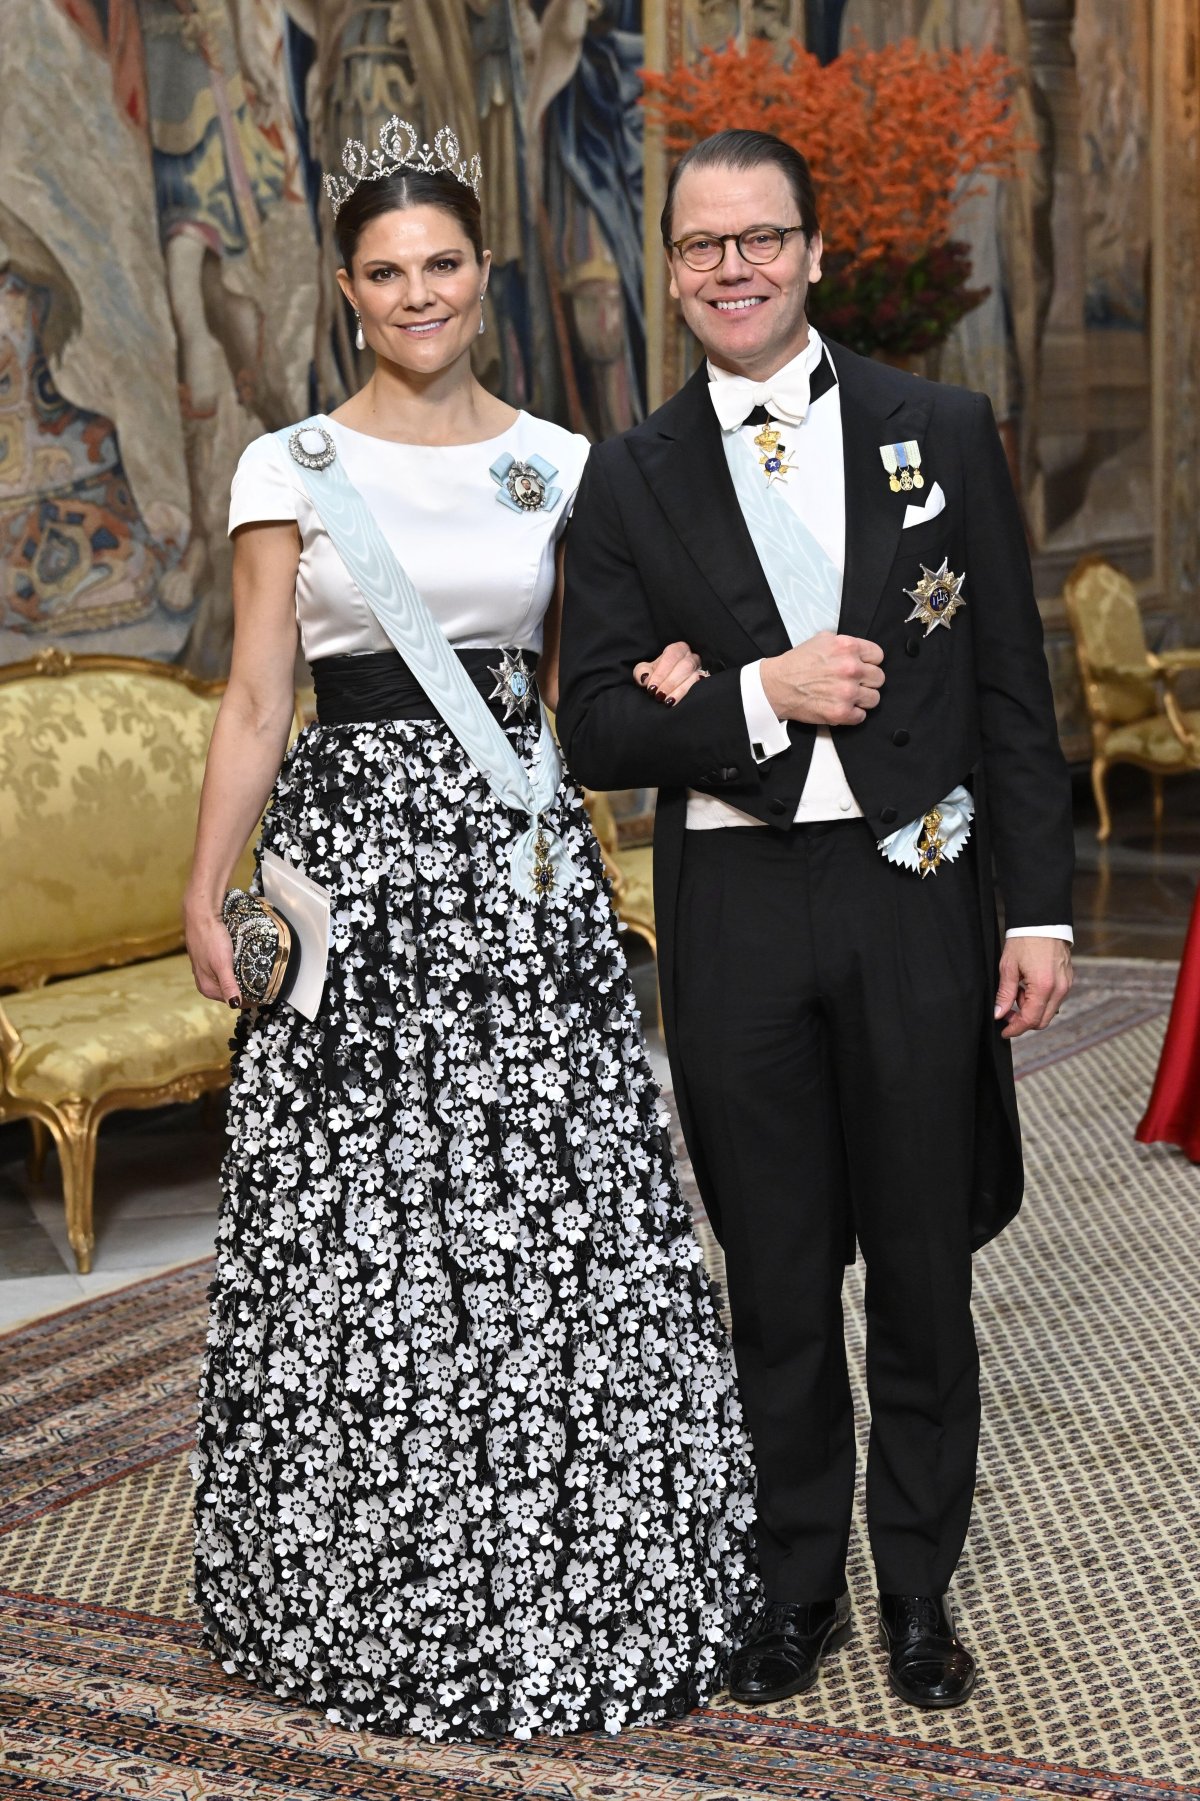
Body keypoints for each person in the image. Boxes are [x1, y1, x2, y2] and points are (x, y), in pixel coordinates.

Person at [184, 120, 758, 1742]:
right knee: (357, 1224)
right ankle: (352, 1572)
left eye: (442, 263)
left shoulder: (569, 464)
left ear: (481, 274)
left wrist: (670, 689)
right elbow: (252, 697)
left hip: (516, 875)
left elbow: (588, 687)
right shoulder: (284, 467)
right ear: (347, 289)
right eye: (384, 271)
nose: (416, 292)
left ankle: (581, 1560)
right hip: (351, 882)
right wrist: (201, 885)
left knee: (555, 1207)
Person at [556, 128, 1074, 1711]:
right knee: (778, 1274)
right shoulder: (628, 473)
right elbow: (590, 727)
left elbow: (1010, 689)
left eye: (761, 238)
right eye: (702, 245)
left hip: (919, 893)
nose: (733, 268)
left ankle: (919, 1590)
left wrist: (1040, 912)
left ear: (815, 250)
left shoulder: (943, 428)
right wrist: (752, 696)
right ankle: (798, 1591)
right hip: (739, 916)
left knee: (921, 1266)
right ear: (672, 268)